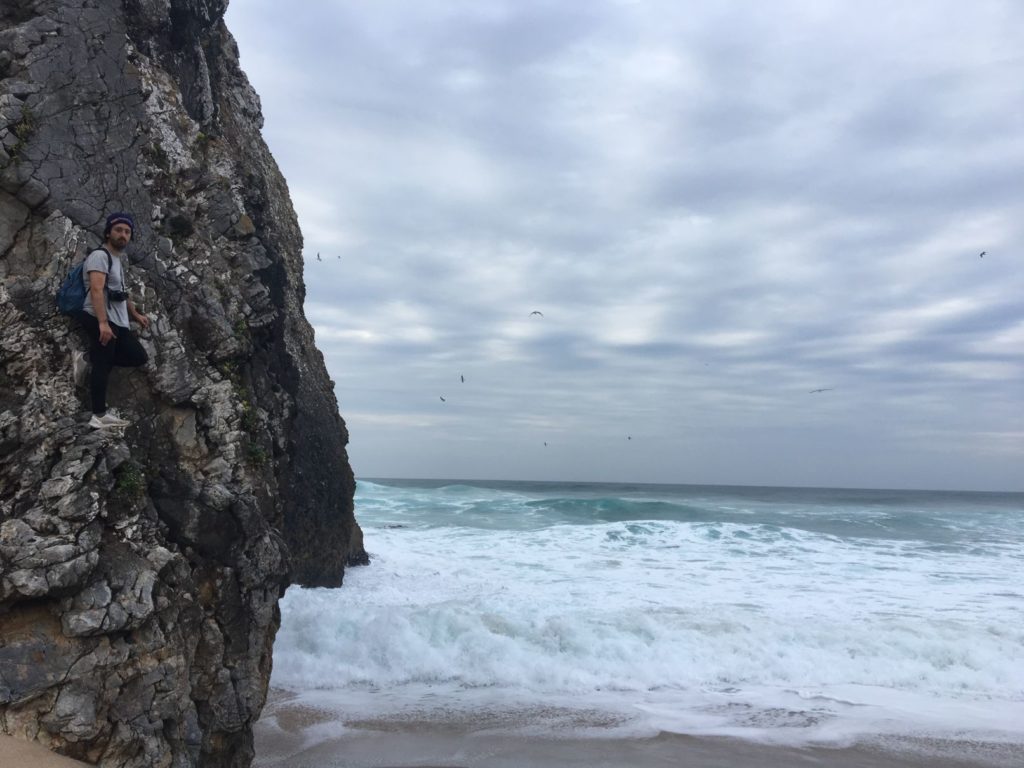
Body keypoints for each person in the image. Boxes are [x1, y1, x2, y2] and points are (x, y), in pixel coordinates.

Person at [74, 212, 150, 428]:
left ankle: (88, 361)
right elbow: (97, 290)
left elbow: (120, 292)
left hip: (118, 320)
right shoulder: (100, 256)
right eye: (118, 230)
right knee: (104, 364)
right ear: (108, 232)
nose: (123, 235)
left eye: (127, 232)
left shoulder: (116, 259)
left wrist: (135, 314)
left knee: (137, 356)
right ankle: (98, 415)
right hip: (99, 316)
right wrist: (102, 323)